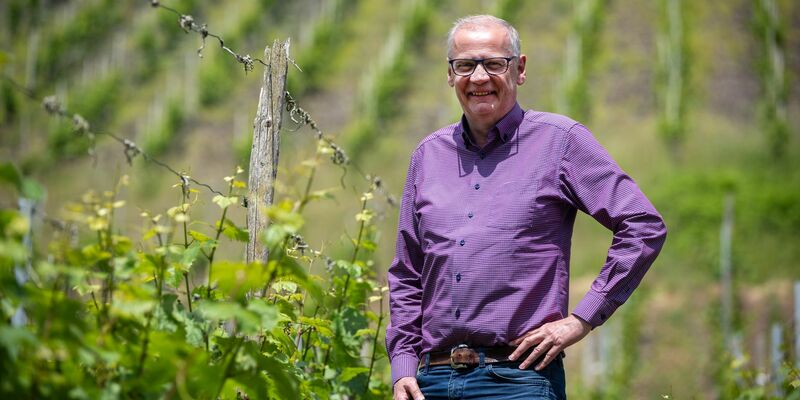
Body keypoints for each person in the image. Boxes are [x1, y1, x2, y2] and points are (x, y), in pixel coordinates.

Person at [385, 15, 667, 400]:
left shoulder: (561, 142)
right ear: (450, 75)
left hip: (519, 381)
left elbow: (642, 224)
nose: (479, 77)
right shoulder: (428, 156)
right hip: (430, 381)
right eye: (465, 65)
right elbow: (407, 273)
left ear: (520, 69)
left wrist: (583, 318)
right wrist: (402, 365)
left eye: (494, 63)